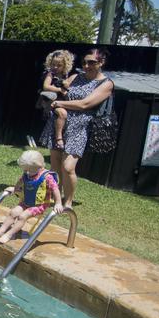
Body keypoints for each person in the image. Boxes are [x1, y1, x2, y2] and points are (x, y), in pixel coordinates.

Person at [40, 47, 114, 208]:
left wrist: (58, 103)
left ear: (102, 62)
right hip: (59, 122)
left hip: (79, 127)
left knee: (67, 167)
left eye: (91, 62)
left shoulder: (106, 84)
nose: (87, 65)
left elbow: (85, 104)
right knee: (55, 164)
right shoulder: (75, 77)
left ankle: (68, 200)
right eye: (84, 62)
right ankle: (54, 197)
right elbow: (60, 90)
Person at [0, 150, 63, 244]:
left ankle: (8, 235)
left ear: (40, 167)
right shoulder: (28, 174)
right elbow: (21, 181)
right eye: (25, 170)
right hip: (26, 202)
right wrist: (15, 189)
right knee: (13, 212)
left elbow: (55, 189)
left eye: (29, 170)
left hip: (39, 205)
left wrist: (58, 203)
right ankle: (1, 230)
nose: (27, 172)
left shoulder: (47, 177)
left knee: (22, 216)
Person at [37, 49, 77, 150]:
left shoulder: (67, 76)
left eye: (59, 65)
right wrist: (60, 89)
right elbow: (46, 86)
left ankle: (66, 137)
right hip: (50, 99)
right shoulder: (51, 74)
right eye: (53, 64)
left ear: (65, 65)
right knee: (62, 114)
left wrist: (65, 85)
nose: (55, 67)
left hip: (62, 100)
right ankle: (59, 138)